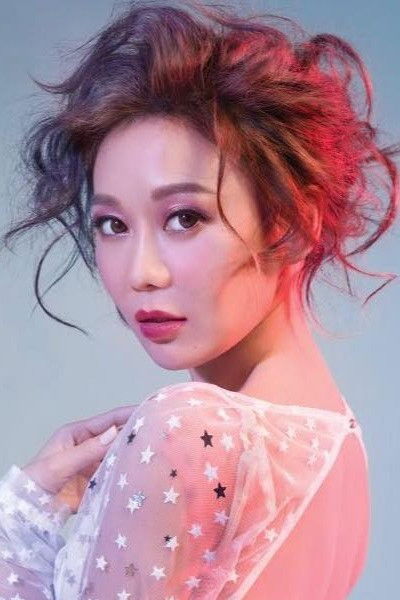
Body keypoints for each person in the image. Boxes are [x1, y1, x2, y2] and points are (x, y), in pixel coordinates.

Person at [0, 0, 398, 598]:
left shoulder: (185, 431)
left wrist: (20, 517)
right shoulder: (340, 442)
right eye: (112, 224)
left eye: (184, 217)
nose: (142, 272)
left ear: (292, 225)